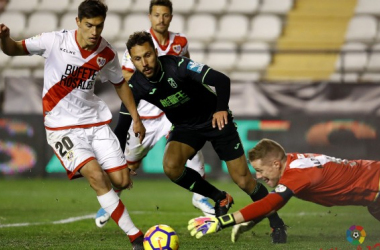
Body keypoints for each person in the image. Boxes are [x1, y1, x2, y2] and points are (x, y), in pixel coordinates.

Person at [0, 1, 146, 249]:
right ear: (77, 22)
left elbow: (120, 83)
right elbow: (13, 49)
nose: (94, 32)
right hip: (62, 127)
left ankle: (104, 190)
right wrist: (5, 38)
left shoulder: (106, 53)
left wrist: (136, 116)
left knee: (121, 181)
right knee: (97, 177)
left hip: (95, 122)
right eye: (89, 25)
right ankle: (136, 237)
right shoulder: (54, 41)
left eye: (99, 26)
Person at [120, 31, 287, 243]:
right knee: (171, 167)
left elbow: (221, 80)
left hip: (215, 120)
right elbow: (122, 123)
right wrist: (120, 157)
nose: (144, 63)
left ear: (155, 52)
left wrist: (221, 109)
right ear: (132, 61)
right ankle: (220, 197)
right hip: (186, 127)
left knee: (244, 180)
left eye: (147, 55)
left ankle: (277, 224)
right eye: (137, 58)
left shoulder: (178, 66)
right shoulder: (136, 84)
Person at [95, 0, 214, 228]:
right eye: (157, 15)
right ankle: (113, 197)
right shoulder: (140, 46)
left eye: (165, 15)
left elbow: (187, 66)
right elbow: (127, 80)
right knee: (130, 163)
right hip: (147, 113)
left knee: (192, 148)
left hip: (173, 111)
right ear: (150, 16)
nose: (161, 19)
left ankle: (200, 197)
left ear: (171, 17)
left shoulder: (180, 41)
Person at [187, 138, 380, 243]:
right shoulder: (293, 162)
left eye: (261, 171)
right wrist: (251, 221)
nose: (259, 177)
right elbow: (272, 204)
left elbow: (272, 202)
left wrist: (222, 221)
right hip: (374, 198)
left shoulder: (297, 174)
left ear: (276, 163)